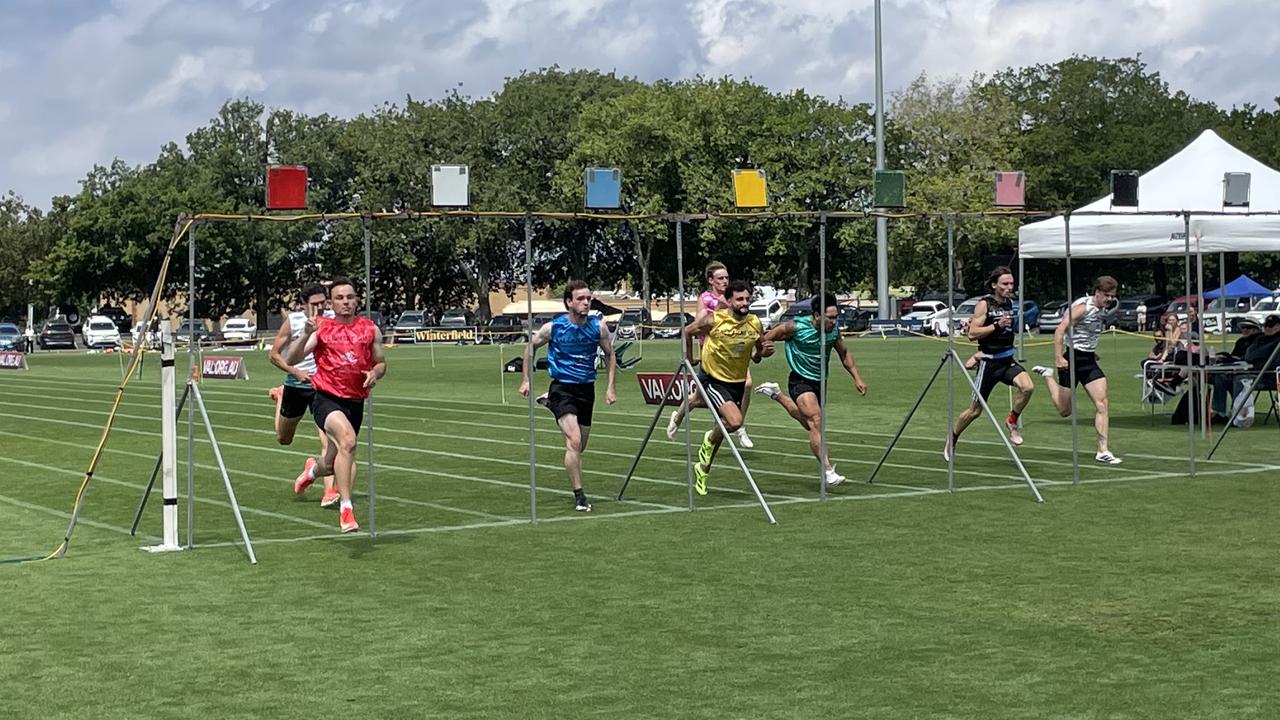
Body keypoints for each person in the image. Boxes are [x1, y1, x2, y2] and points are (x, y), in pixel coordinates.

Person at [287, 277, 387, 533]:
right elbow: (293, 357)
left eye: (350, 297)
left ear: (357, 300)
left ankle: (311, 472)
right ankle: (345, 509)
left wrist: (375, 373)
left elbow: (381, 362)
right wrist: (306, 335)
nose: (346, 302)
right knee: (349, 441)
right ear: (331, 302)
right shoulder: (322, 328)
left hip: (354, 401)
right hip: (325, 398)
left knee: (331, 463)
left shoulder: (370, 329)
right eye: (340, 298)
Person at [520, 281, 617, 512]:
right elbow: (530, 348)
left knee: (580, 446)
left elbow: (610, 355)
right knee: (573, 440)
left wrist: (610, 387)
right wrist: (525, 379)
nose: (586, 303)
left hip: (586, 389)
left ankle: (548, 401)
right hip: (563, 387)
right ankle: (579, 495)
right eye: (581, 299)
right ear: (568, 302)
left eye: (589, 299)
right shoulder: (554, 328)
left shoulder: (598, 327)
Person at [754, 293, 867, 486]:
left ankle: (776, 394)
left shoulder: (833, 332)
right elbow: (765, 338)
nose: (834, 321)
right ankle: (828, 470)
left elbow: (844, 353)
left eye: (835, 317)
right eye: (830, 317)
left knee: (810, 425)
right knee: (816, 420)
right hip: (800, 379)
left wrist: (857, 378)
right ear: (816, 315)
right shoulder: (795, 327)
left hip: (820, 382)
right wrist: (760, 353)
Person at [681, 279, 769, 495]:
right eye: (739, 299)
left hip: (737, 382)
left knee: (724, 430)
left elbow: (757, 356)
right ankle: (707, 439)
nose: (744, 302)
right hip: (713, 379)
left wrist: (762, 353)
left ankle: (703, 469)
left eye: (747, 298)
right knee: (735, 422)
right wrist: (691, 358)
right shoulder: (714, 320)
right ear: (729, 301)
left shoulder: (755, 323)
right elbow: (688, 331)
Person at [944, 267, 1036, 461]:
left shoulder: (1010, 303)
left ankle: (1012, 421)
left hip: (1007, 360)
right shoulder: (984, 305)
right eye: (1005, 284)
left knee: (1027, 387)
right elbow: (972, 334)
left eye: (1011, 283)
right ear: (995, 285)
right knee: (975, 411)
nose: (1009, 287)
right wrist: (996, 326)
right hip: (989, 364)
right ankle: (952, 437)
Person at [1032, 275, 1122, 465]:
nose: (1109, 299)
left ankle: (1103, 450)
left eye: (1112, 296)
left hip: (1088, 361)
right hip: (1071, 359)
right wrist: (1058, 358)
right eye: (1106, 295)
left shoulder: (1100, 309)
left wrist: (1092, 352)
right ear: (1097, 292)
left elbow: (1085, 334)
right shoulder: (1082, 308)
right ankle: (1048, 376)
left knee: (1102, 404)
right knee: (1065, 411)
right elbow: (1060, 330)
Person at [666, 261, 755, 448]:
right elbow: (698, 324)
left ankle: (739, 427)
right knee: (697, 399)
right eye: (720, 278)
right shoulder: (706, 298)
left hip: (734, 351)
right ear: (710, 281)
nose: (724, 281)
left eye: (727, 278)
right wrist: (719, 309)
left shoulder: (736, 297)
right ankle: (678, 417)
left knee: (747, 383)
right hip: (712, 352)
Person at [268, 283, 338, 508]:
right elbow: (274, 355)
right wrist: (295, 372)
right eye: (314, 304)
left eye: (322, 303)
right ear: (304, 304)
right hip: (296, 385)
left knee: (330, 440)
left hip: (323, 386)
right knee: (283, 438)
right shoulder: (294, 321)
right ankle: (280, 397)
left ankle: (330, 493)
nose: (319, 307)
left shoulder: (334, 318)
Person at [1210, 315, 1280, 424]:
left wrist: (1255, 362)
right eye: (1265, 325)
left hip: (1267, 377)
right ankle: (1220, 413)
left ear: (1278, 327)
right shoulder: (1260, 339)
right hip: (1250, 371)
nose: (1267, 328)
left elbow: (1274, 364)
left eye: (1270, 326)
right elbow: (1249, 356)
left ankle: (1238, 416)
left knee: (1241, 380)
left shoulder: (1277, 342)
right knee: (1221, 377)